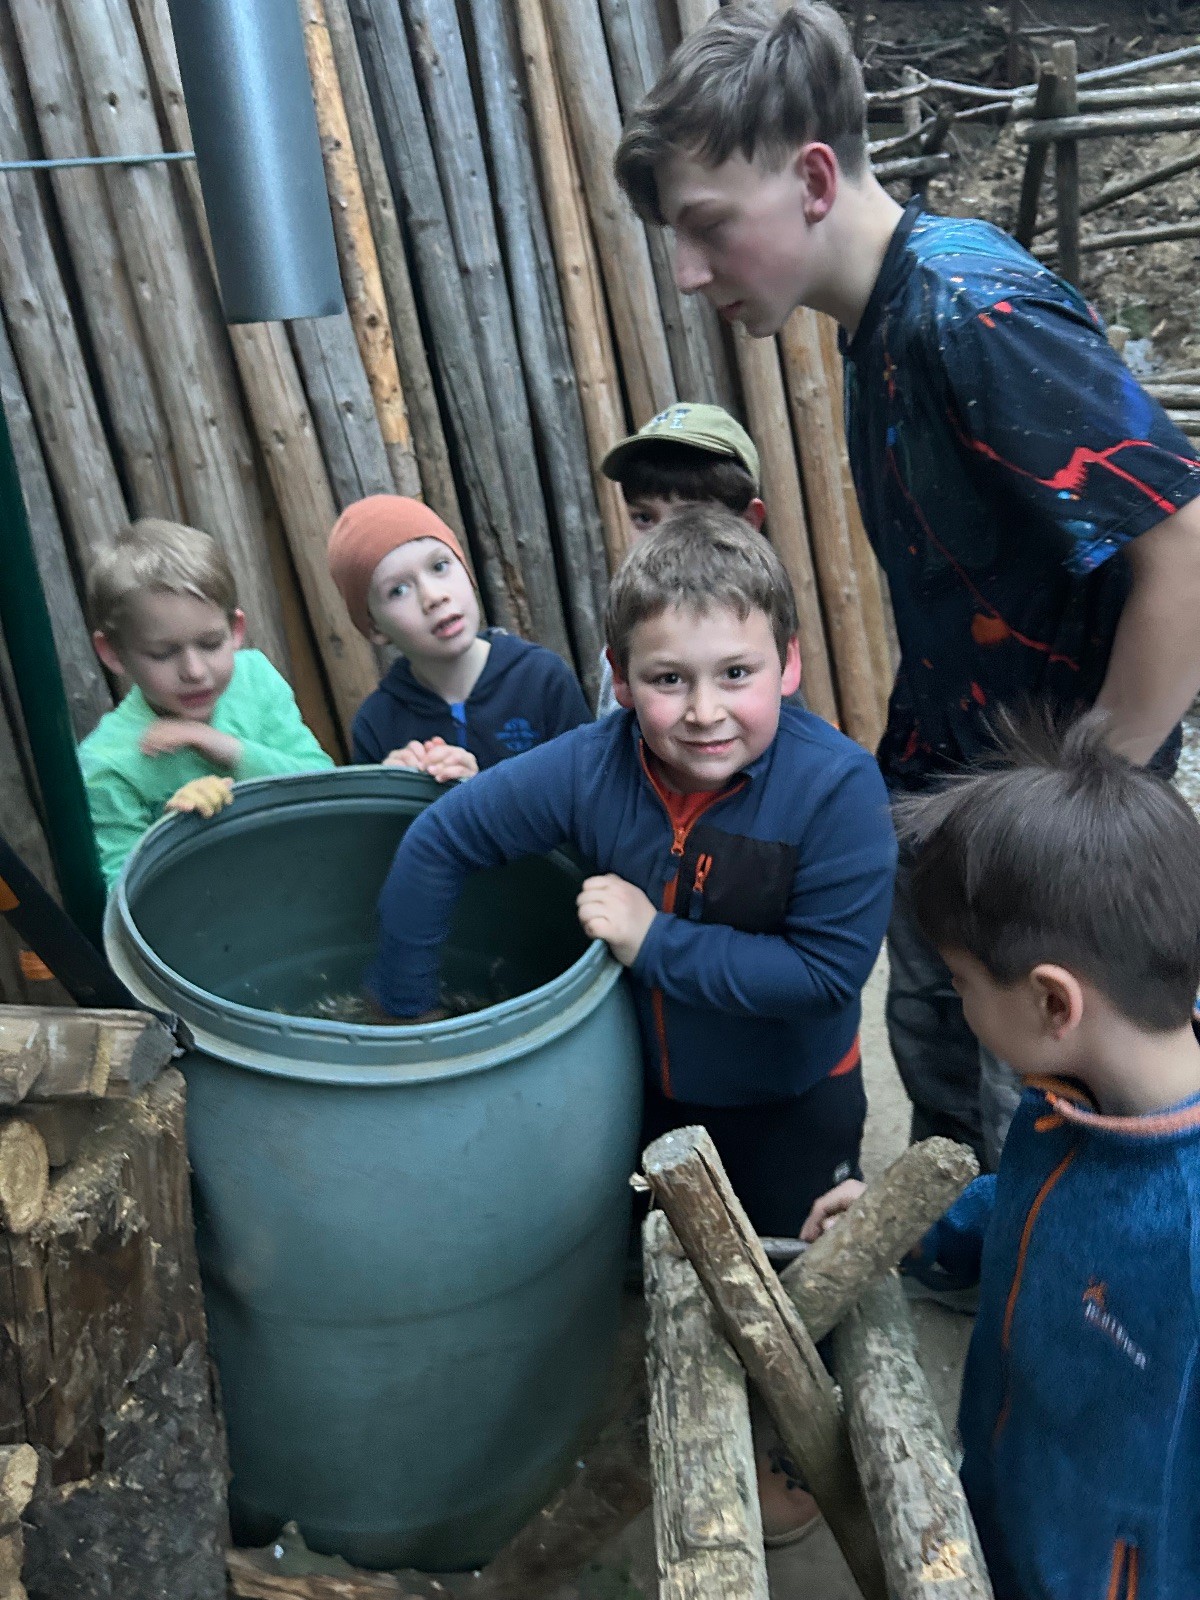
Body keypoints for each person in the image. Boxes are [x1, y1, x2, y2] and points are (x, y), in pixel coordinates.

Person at [613, 1, 1200, 1170]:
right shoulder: (878, 323)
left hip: (1042, 843)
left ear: (813, 178)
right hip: (949, 793)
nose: (685, 273)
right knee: (947, 1092)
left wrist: (1091, 785)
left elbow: (1183, 545)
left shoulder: (970, 311)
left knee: (1049, 1128)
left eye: (707, 227)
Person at [367, 507, 896, 1540]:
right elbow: (439, 843)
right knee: (666, 1259)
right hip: (640, 1088)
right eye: (667, 679)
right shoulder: (590, 765)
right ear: (617, 676)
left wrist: (656, 942)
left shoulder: (837, 789)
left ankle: (795, 1450)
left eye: (735, 673)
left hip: (792, 1098)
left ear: (789, 663)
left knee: (794, 1281)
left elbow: (826, 973)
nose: (704, 711)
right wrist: (405, 1015)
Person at [806, 713, 1200, 1597]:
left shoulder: (1188, 1240)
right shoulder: (1064, 1099)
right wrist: (921, 1222)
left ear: (1053, 1002)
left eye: (962, 984)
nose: (958, 1003)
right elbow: (1028, 1203)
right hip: (1003, 1492)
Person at [79, 518, 334, 888]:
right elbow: (121, 896)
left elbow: (324, 785)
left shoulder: (254, 679)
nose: (194, 671)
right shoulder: (109, 764)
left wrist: (225, 748)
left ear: (236, 631)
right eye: (163, 653)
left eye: (211, 644)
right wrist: (174, 833)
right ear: (113, 653)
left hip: (304, 881)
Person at [327, 495, 591, 779]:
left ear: (466, 569)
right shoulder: (376, 725)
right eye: (398, 590)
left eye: (440, 566)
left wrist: (476, 792)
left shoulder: (541, 679)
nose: (433, 597)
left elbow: (589, 793)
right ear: (374, 627)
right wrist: (395, 791)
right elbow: (376, 811)